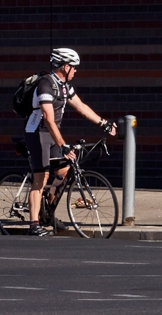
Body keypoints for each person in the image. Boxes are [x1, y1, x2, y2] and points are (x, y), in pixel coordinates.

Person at [19, 48, 115, 235]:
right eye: (74, 67)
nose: (76, 71)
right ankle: (34, 224)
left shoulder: (64, 86)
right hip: (37, 134)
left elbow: (81, 107)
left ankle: (48, 212)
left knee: (64, 170)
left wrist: (103, 123)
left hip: (52, 134)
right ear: (65, 66)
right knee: (42, 177)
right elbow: (48, 118)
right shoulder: (45, 85)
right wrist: (63, 145)